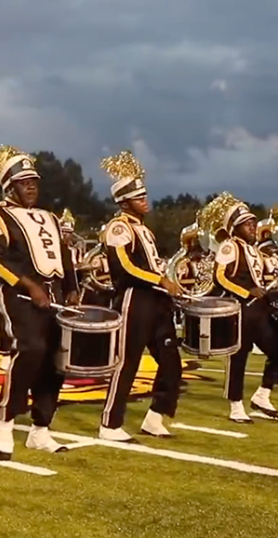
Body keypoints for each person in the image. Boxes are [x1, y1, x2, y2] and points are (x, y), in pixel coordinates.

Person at [0, 145, 78, 459]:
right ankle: (3, 418)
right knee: (30, 348)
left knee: (55, 360)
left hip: (54, 295)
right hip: (17, 293)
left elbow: (63, 255)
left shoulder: (48, 216)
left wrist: (72, 287)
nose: (31, 186)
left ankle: (41, 429)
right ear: (9, 186)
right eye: (23, 182)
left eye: (34, 181)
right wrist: (29, 284)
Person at [97, 150, 183, 442]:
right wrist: (161, 279)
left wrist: (170, 284)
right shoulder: (118, 227)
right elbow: (125, 267)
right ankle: (109, 424)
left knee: (171, 360)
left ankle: (155, 416)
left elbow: (151, 264)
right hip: (134, 298)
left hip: (156, 300)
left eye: (145, 194)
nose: (145, 200)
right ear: (123, 202)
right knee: (128, 361)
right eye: (138, 196)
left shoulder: (144, 230)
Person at [208, 194, 278, 422]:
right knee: (239, 356)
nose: (253, 227)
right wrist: (245, 291)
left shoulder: (255, 251)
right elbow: (219, 277)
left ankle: (262, 395)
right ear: (235, 227)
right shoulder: (229, 247)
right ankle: (235, 405)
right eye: (247, 224)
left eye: (253, 223)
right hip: (240, 308)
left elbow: (262, 278)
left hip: (259, 310)